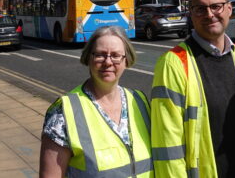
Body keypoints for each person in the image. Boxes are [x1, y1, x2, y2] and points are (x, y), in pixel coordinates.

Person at [151, 0, 235, 178]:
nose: (209, 14)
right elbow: (167, 143)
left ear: (229, 9)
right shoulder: (174, 63)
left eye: (216, 6)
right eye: (200, 8)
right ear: (191, 13)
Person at [39, 25, 152, 177]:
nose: (108, 62)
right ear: (88, 58)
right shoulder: (63, 111)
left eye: (116, 55)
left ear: (126, 60)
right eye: (100, 55)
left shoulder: (140, 101)